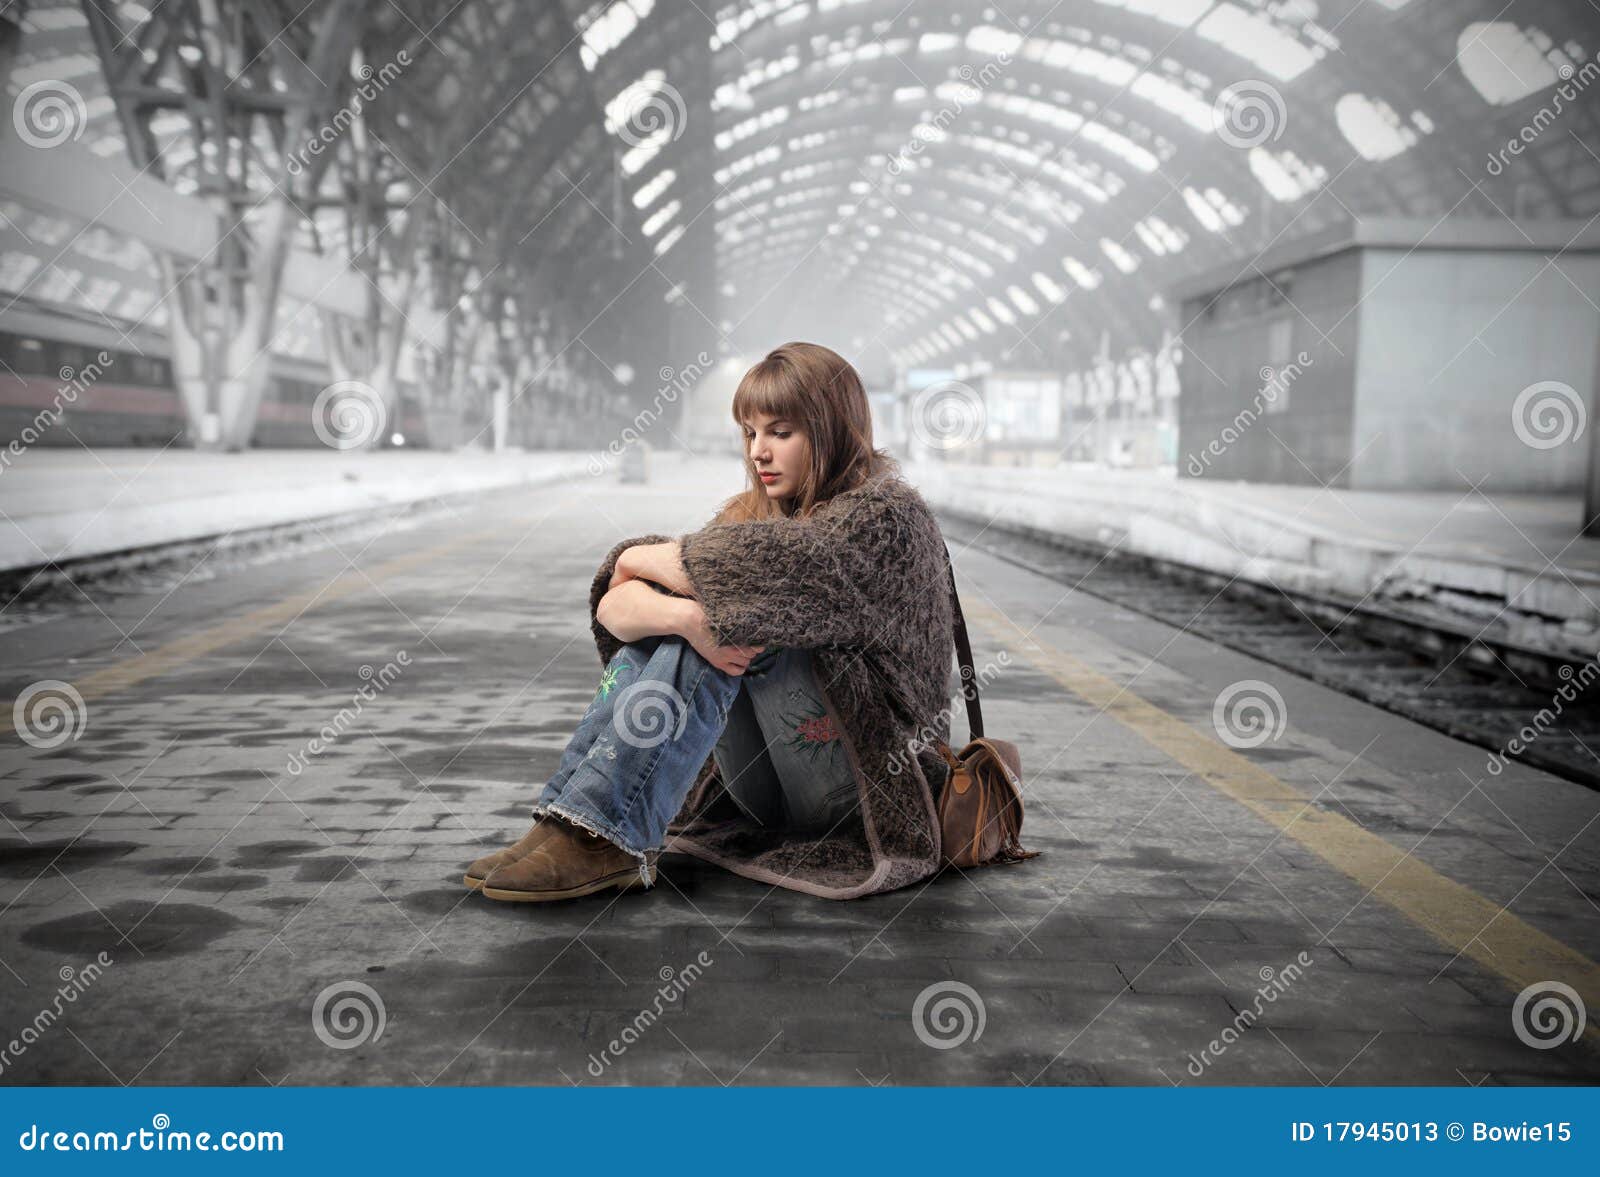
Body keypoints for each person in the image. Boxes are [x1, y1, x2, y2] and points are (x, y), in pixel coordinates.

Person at [462, 341, 958, 903]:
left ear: (832, 430)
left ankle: (603, 834)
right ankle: (572, 819)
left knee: (728, 621)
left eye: (781, 432)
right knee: (695, 623)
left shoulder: (885, 522)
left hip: (871, 790)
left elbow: (726, 575)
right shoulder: (753, 516)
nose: (758, 452)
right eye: (750, 433)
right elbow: (615, 608)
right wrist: (683, 616)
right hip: (766, 791)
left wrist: (638, 563)